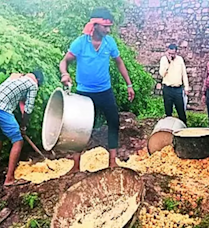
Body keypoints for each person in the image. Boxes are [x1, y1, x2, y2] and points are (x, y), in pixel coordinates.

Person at [60, 7, 135, 174]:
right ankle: (76, 165)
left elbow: (119, 62)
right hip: (84, 93)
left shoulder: (109, 43)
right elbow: (64, 62)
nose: (108, 30)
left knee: (113, 122)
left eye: (109, 27)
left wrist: (129, 84)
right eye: (105, 27)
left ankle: (112, 162)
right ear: (94, 25)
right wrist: (65, 74)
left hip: (105, 91)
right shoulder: (80, 43)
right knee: (79, 127)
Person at [0, 70, 44, 187]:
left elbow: (22, 103)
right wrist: (23, 125)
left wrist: (22, 124)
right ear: (38, 80)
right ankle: (9, 179)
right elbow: (28, 108)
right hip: (1, 108)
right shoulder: (33, 85)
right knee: (18, 141)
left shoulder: (16, 77)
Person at [159, 44, 190, 124]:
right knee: (168, 111)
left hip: (178, 89)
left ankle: (184, 128)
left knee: (181, 111)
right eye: (170, 53)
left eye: (173, 54)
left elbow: (184, 74)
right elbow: (162, 74)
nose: (171, 55)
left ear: (176, 52)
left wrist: (186, 87)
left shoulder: (180, 60)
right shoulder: (163, 60)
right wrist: (168, 62)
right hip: (168, 88)